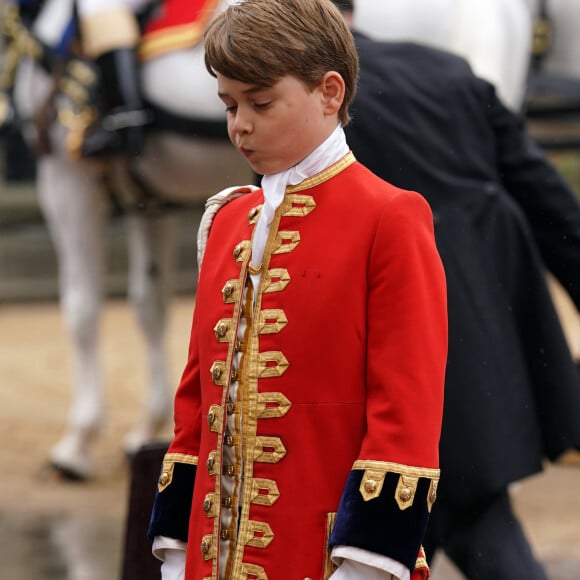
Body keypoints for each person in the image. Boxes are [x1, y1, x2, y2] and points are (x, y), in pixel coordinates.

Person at [147, 1, 448, 579]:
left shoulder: (390, 217)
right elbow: (197, 409)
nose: (240, 124)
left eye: (261, 103)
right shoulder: (226, 221)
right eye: (230, 105)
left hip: (327, 558)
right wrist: (177, 555)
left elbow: (405, 415)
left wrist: (362, 567)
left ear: (330, 93)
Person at [331, 1, 580, 579]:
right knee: (472, 519)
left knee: (455, 526)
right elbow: (550, 204)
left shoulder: (313, 106)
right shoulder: (447, 70)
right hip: (489, 343)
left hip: (392, 365)